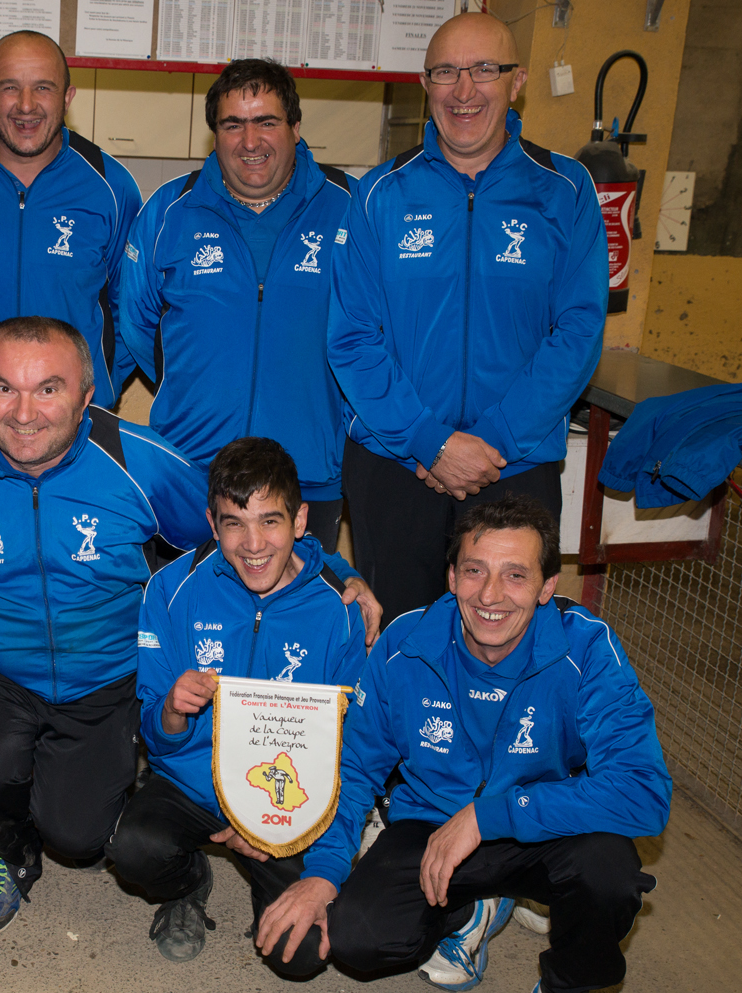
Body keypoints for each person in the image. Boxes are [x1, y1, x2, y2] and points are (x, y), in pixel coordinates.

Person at [0, 317, 379, 934]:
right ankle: (10, 851)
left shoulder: (138, 459)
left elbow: (242, 523)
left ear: (85, 396)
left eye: (48, 389)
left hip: (106, 671)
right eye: (3, 387)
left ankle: (80, 810)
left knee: (81, 835)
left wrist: (334, 572)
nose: (24, 413)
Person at [258, 496, 670, 993]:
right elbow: (355, 768)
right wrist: (324, 873)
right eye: (475, 571)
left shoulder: (586, 649)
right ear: (452, 577)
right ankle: (470, 912)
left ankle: (567, 984)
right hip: (433, 825)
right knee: (358, 938)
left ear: (547, 587)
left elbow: (644, 792)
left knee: (609, 874)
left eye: (515, 575)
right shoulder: (404, 644)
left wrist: (488, 816)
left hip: (545, 827)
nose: (491, 595)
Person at [329, 12, 606, 621]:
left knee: (504, 634)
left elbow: (579, 330)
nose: (463, 90)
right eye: (445, 72)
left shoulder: (565, 191)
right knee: (399, 635)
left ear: (517, 81)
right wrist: (430, 441)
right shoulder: (378, 194)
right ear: (425, 84)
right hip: (398, 462)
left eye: (483, 69)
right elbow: (352, 338)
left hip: (516, 463)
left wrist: (493, 442)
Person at [107, 437, 365, 971]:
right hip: (194, 784)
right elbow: (154, 736)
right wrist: (171, 711)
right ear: (211, 522)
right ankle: (188, 884)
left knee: (302, 958)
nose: (253, 544)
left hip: (288, 799)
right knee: (131, 848)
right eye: (233, 523)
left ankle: (269, 884)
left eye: (270, 521)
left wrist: (282, 827)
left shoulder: (341, 608)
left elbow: (353, 753)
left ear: (300, 521)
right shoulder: (170, 590)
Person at [119, 59, 356, 550]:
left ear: (294, 127)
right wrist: (195, 386)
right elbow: (138, 322)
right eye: (232, 125)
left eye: (266, 122)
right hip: (190, 472)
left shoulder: (351, 207)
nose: (250, 142)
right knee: (185, 599)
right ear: (215, 134)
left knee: (302, 601)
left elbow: (376, 331)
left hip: (307, 477)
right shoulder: (169, 210)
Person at [0, 30, 142, 408]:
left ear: (67, 97)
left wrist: (99, 383)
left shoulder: (112, 187)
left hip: (75, 419)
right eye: (9, 87)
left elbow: (135, 310)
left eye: (43, 88)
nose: (26, 105)